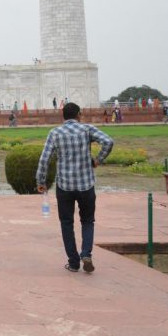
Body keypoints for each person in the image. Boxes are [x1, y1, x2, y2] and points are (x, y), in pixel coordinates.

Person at [35, 102, 114, 272]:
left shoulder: (55, 133)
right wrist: (97, 160)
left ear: (63, 116)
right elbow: (108, 141)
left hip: (64, 186)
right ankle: (86, 253)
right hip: (86, 185)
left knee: (66, 223)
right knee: (87, 221)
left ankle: (73, 262)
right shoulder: (86, 129)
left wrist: (41, 181)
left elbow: (44, 159)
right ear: (78, 115)